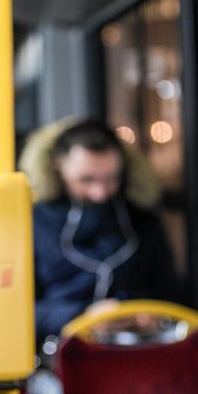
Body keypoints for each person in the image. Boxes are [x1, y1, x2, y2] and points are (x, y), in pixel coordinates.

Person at [20, 118, 183, 344]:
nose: (100, 193)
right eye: (86, 179)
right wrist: (82, 315)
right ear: (56, 167)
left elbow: (171, 295)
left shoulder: (143, 222)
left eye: (111, 178)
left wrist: (147, 313)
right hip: (56, 354)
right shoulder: (32, 224)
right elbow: (15, 313)